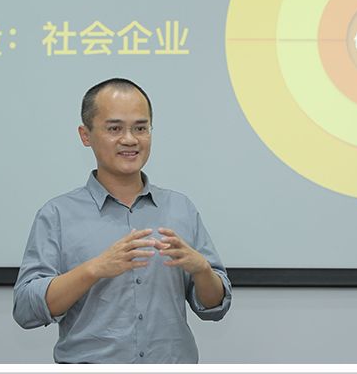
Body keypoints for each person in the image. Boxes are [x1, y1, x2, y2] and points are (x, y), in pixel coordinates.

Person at [13, 78, 232, 363]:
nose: (130, 139)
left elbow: (215, 307)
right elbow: (26, 310)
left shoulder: (181, 208)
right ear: (85, 135)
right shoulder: (56, 214)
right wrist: (94, 269)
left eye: (140, 128)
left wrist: (202, 270)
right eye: (114, 128)